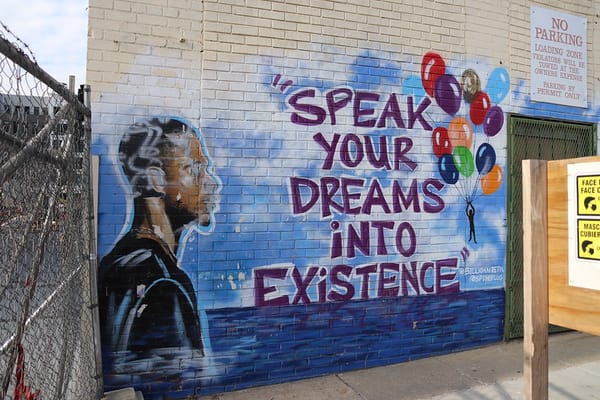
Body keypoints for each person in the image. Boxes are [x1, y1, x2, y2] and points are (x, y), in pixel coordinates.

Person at [98, 117, 220, 355]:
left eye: (206, 170)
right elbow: (178, 377)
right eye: (193, 169)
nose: (211, 182)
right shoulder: (163, 282)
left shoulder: (118, 263)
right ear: (156, 180)